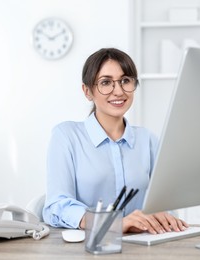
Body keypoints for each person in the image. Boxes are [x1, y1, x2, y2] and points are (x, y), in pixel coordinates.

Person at [42, 48, 188, 234]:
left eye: (125, 81)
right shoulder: (66, 136)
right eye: (106, 82)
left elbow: (166, 203)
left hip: (142, 246)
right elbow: (56, 206)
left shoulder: (147, 140)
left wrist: (162, 215)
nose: (118, 91)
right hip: (89, 247)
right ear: (87, 91)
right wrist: (112, 223)